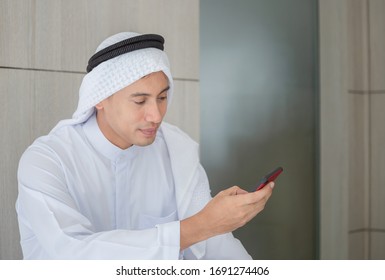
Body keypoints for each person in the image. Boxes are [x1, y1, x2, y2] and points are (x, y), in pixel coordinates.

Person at [16, 32, 274, 259]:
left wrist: (218, 223)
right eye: (140, 101)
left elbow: (215, 246)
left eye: (162, 98)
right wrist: (199, 226)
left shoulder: (177, 150)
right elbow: (74, 254)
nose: (156, 115)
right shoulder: (47, 161)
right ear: (100, 99)